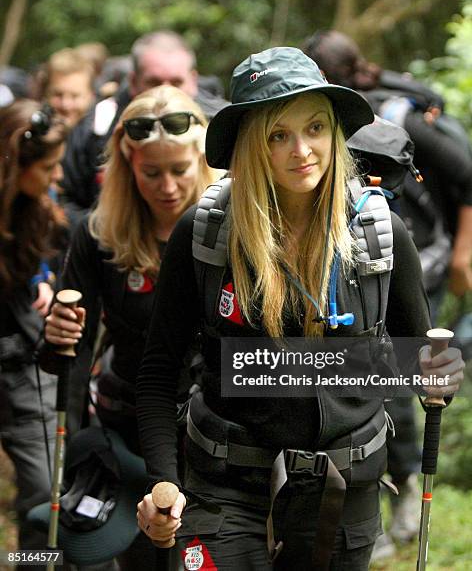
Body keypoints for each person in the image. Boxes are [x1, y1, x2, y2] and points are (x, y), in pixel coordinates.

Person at [135, 47, 464, 570]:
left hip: (342, 490)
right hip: (224, 488)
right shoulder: (204, 233)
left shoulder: (380, 234)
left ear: (335, 132)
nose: (302, 150)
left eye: (314, 127)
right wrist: (161, 481)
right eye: (277, 135)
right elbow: (157, 374)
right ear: (250, 145)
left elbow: (410, 362)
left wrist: (436, 372)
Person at [303, 29, 472, 557]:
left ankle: (395, 499)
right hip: (350, 267)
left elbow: (467, 174)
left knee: (396, 379)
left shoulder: (393, 115)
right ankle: (352, 504)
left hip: (418, 264)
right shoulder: (316, 129)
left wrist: (466, 253)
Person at [41, 85, 219, 569]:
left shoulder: (228, 229)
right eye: (151, 173)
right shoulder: (99, 236)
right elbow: (68, 356)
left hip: (219, 433)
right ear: (127, 167)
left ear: (203, 163)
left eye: (180, 170)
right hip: (131, 431)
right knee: (147, 556)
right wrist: (75, 444)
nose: (167, 187)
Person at [62, 30, 227, 230]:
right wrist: (106, 230)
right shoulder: (98, 126)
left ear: (193, 80)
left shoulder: (225, 125)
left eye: (176, 82)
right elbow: (66, 197)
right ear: (133, 81)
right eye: (154, 82)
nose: (165, 91)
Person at [0, 100, 67, 569]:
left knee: (45, 493)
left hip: (24, 374)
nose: (56, 176)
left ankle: (31, 563)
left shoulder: (40, 209)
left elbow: (37, 260)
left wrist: (41, 280)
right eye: (47, 167)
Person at [35, 48, 96, 129]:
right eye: (58, 95)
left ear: (91, 96)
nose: (66, 105)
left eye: (75, 96)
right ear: (45, 93)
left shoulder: (105, 137)